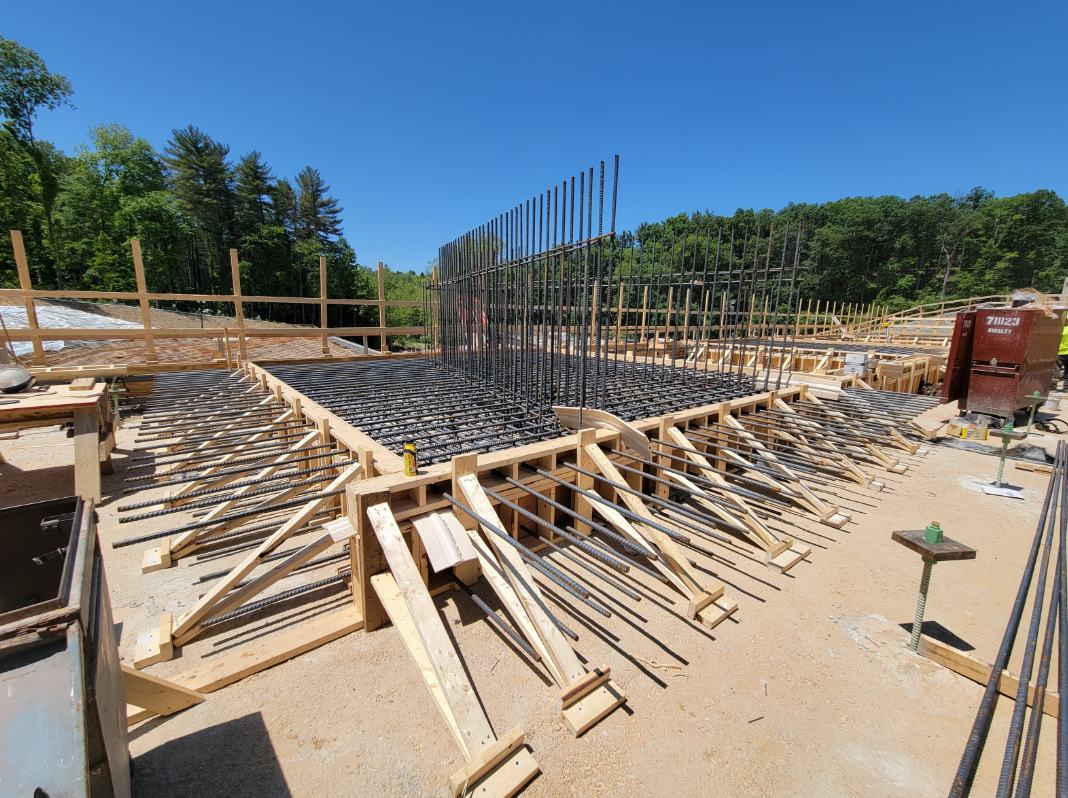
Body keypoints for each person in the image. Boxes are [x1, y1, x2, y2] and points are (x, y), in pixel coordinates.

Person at [1057, 312, 1068, 389]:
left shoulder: (1064, 329)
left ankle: (1053, 387)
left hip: (1060, 352)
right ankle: (1067, 388)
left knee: (1056, 369)